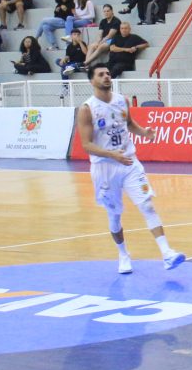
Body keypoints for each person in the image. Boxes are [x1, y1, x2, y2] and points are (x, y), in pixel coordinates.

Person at [77, 65, 185, 274]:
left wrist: (144, 132)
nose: (106, 76)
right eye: (101, 74)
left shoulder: (122, 100)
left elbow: (128, 123)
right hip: (105, 168)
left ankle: (167, 253)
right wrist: (112, 154)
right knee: (114, 215)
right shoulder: (87, 109)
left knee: (147, 205)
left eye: (108, 73)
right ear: (92, 81)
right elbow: (86, 145)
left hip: (129, 162)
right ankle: (123, 254)